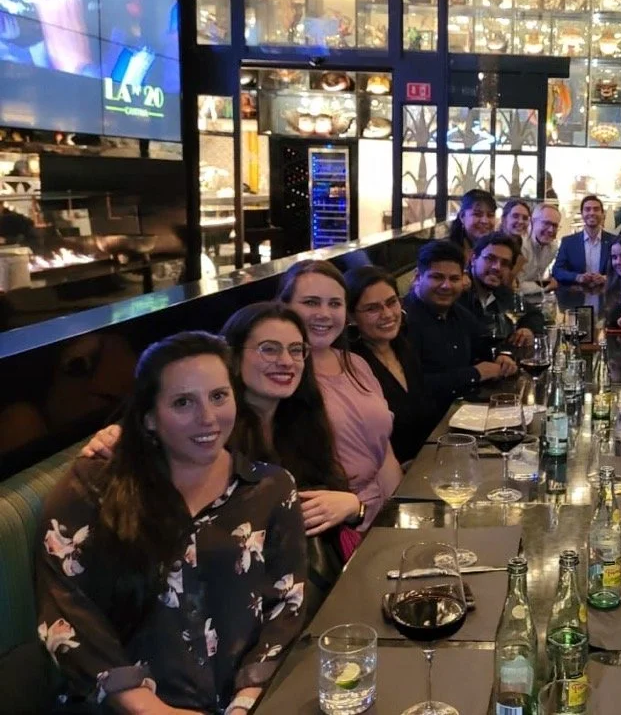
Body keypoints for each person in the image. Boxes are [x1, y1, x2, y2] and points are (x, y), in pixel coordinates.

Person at [37, 332, 307, 714]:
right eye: (183, 402)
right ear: (149, 418)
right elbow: (66, 610)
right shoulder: (94, 488)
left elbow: (287, 602)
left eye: (218, 396)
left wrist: (246, 701)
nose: (207, 417)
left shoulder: (272, 488)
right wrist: (151, 709)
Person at [81, 303, 357, 608]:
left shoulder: (302, 420)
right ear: (233, 358)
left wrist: (353, 506)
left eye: (296, 350)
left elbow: (329, 493)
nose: (286, 361)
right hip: (231, 595)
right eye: (269, 349)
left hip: (305, 586)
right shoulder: (208, 430)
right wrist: (115, 437)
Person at [278, 261, 403, 534]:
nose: (324, 314)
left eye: (334, 304)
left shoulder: (356, 363)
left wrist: (396, 518)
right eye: (311, 302)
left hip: (379, 514)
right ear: (283, 307)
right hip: (335, 527)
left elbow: (384, 453)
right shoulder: (282, 376)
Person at [402, 240, 518, 416]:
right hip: (429, 423)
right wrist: (474, 374)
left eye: (454, 279)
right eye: (437, 277)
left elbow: (485, 343)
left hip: (465, 412)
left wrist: (502, 356)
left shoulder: (459, 313)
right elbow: (411, 385)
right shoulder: (403, 320)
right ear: (418, 277)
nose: (446, 286)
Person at [345, 267, 438, 463]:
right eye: (372, 308)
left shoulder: (404, 347)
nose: (387, 314)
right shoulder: (351, 365)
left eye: (391, 302)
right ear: (351, 316)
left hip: (426, 463)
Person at [458, 232, 545, 352]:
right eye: (490, 259)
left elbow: (534, 314)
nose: (497, 267)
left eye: (505, 263)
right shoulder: (459, 292)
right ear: (473, 259)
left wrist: (528, 329)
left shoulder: (501, 292)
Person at [552, 194, 614, 289]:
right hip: (575, 295)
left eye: (596, 209)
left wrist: (606, 278)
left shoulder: (614, 241)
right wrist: (577, 277)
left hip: (606, 294)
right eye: (587, 209)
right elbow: (557, 271)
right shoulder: (568, 242)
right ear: (582, 214)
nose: (592, 213)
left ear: (602, 214)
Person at [517, 202, 562, 296]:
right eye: (546, 223)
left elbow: (536, 280)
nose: (550, 230)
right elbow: (516, 286)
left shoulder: (552, 248)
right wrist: (548, 285)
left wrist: (543, 284)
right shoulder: (520, 245)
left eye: (555, 226)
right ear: (532, 222)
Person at [448, 189, 497, 263]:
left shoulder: (498, 248)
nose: (485, 221)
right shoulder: (446, 248)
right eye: (477, 214)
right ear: (462, 216)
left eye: (490, 215)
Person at [501, 198, 532, 277]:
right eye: (515, 216)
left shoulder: (522, 244)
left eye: (525, 218)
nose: (521, 221)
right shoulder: (495, 244)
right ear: (504, 219)